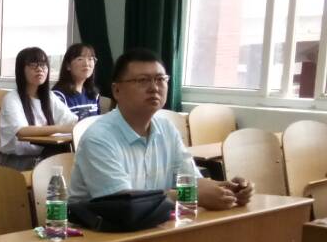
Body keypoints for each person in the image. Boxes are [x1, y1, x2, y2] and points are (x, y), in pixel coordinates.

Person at [70, 48, 253, 209]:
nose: (154, 88)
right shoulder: (99, 138)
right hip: (98, 233)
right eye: (142, 80)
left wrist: (227, 189)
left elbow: (192, 182)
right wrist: (190, 195)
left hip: (154, 227)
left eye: (160, 79)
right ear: (117, 91)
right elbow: (122, 203)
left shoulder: (167, 129)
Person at [0, 46, 78, 171]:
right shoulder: (12, 98)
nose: (40, 69)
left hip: (42, 157)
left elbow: (71, 121)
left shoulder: (49, 96)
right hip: (14, 161)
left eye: (43, 65)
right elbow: (21, 131)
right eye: (33, 65)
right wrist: (59, 128)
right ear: (21, 70)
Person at [53, 43, 101, 120]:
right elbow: (58, 125)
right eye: (80, 59)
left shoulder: (94, 95)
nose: (86, 64)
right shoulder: (58, 96)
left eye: (90, 59)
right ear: (68, 66)